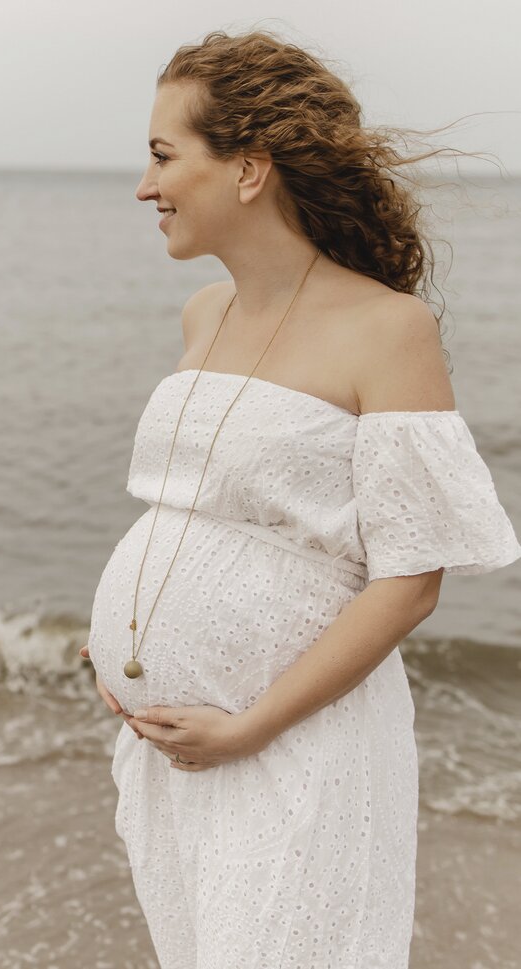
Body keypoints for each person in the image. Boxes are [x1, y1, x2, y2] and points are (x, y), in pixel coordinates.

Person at [79, 28, 521, 969]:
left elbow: (411, 581)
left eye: (163, 156)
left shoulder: (387, 329)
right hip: (177, 755)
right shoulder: (205, 313)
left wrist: (249, 726)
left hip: (292, 750)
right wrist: (128, 636)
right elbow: (199, 510)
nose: (144, 187)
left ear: (249, 169)